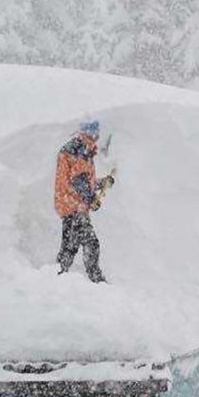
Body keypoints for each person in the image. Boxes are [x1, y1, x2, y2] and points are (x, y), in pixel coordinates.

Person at [54, 120, 114, 283]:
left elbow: (84, 181)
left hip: (69, 204)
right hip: (73, 205)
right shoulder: (80, 149)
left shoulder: (80, 148)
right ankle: (96, 279)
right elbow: (78, 181)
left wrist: (102, 183)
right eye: (96, 132)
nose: (98, 136)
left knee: (70, 245)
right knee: (91, 242)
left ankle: (57, 276)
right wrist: (92, 199)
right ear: (91, 132)